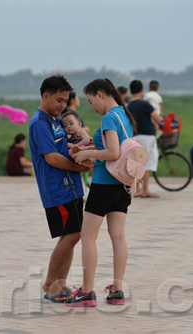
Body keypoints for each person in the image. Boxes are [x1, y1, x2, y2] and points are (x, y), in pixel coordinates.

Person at [65, 78, 137, 307]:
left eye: (91, 100)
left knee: (88, 237)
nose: (92, 106)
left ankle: (86, 292)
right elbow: (113, 148)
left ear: (100, 94)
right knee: (118, 237)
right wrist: (90, 146)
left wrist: (88, 155)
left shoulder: (108, 117)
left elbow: (113, 152)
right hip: (123, 186)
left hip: (104, 184)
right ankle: (117, 290)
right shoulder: (123, 115)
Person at [28, 75, 89, 303]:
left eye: (65, 100)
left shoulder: (55, 120)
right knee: (73, 234)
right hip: (57, 189)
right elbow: (52, 158)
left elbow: (63, 148)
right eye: (59, 100)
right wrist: (80, 167)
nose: (63, 105)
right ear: (45, 96)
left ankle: (61, 284)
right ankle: (50, 284)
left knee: (70, 236)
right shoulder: (40, 123)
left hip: (71, 187)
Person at [127, 80, 162, 198]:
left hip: (134, 137)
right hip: (147, 136)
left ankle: (137, 190)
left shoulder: (128, 106)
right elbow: (157, 118)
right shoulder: (145, 105)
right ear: (142, 90)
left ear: (130, 91)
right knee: (146, 164)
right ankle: (145, 190)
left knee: (137, 163)